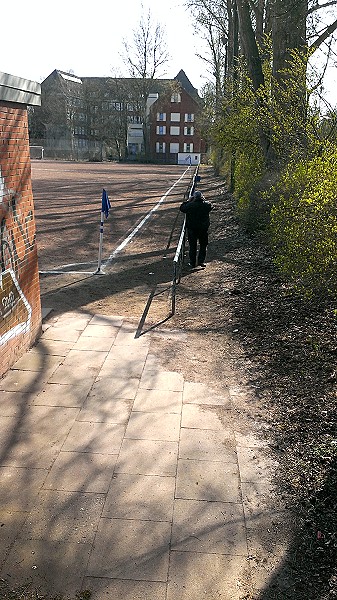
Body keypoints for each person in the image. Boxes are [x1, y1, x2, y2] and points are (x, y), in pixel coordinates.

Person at [179, 189, 213, 268]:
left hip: (192, 229)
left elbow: (182, 208)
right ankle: (201, 261)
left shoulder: (190, 205)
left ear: (194, 198)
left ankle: (192, 262)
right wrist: (204, 200)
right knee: (203, 245)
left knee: (192, 246)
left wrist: (188, 201)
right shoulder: (206, 205)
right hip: (203, 229)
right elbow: (210, 205)